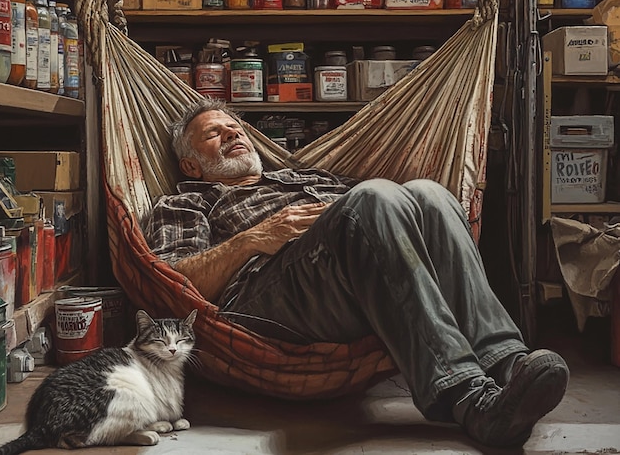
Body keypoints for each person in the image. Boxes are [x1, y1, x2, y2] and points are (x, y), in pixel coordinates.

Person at [145, 97, 569, 448]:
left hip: (357, 281)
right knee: (374, 198)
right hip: (265, 300)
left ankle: (505, 363)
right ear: (191, 165)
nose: (233, 133)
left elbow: (387, 216)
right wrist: (255, 237)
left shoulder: (307, 177)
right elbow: (175, 286)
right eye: (214, 133)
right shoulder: (187, 202)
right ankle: (469, 401)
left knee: (431, 195)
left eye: (235, 127)